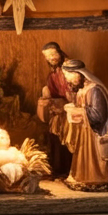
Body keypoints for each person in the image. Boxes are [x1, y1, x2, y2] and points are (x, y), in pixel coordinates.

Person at [61, 59, 108, 188]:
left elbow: (98, 115)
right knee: (83, 156)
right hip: (84, 132)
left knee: (93, 159)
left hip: (94, 134)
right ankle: (83, 177)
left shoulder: (94, 90)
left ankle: (98, 179)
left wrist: (78, 111)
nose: (68, 80)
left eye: (69, 76)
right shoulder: (82, 90)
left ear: (78, 74)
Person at [37, 41, 73, 176]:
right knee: (54, 138)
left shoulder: (68, 70)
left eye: (53, 54)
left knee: (66, 141)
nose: (51, 58)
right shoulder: (52, 75)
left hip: (68, 113)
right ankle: (58, 169)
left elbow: (72, 96)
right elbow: (51, 91)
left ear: (59, 52)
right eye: (47, 56)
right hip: (58, 113)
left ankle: (67, 169)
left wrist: (57, 102)